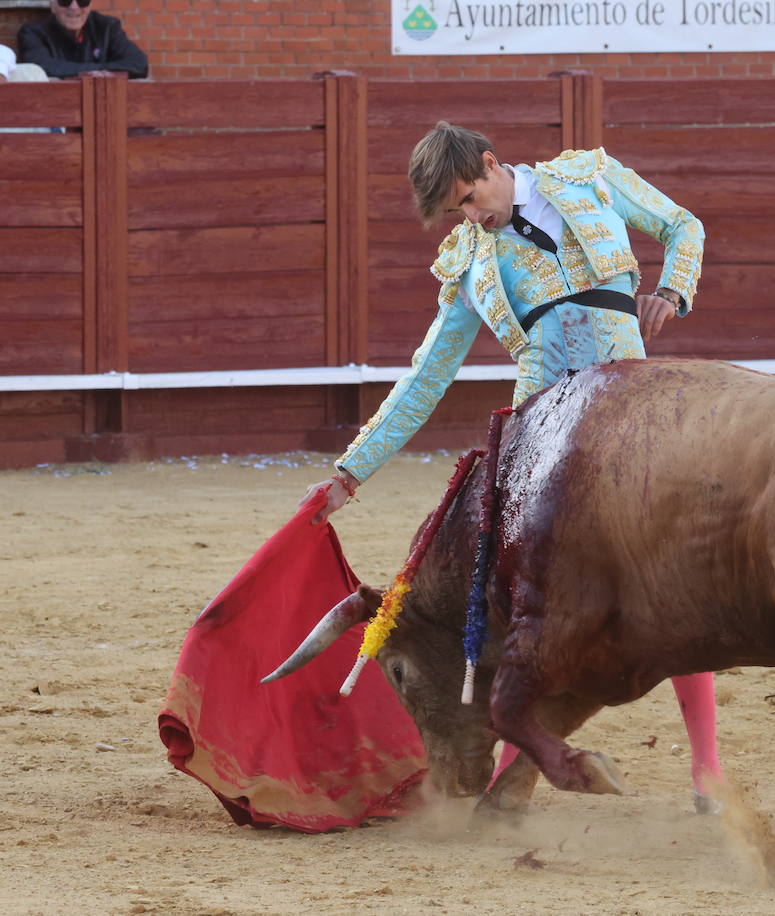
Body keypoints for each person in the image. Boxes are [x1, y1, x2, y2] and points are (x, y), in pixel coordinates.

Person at [301, 122, 724, 813]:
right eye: (456, 212)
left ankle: (707, 768)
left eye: (470, 199)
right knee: (525, 603)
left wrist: (674, 291)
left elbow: (682, 226)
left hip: (633, 411)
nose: (471, 217)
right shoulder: (467, 260)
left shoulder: (588, 179)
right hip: (541, 434)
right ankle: (508, 775)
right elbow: (425, 378)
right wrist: (351, 473)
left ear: (493, 165)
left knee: (674, 580)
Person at [17, 0, 148, 79]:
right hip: (57, 110)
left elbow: (139, 64)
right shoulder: (33, 33)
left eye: (82, 0)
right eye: (65, 0)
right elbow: (40, 67)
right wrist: (97, 72)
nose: (74, 7)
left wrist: (96, 72)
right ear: (52, 5)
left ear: (90, 5)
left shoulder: (107, 27)